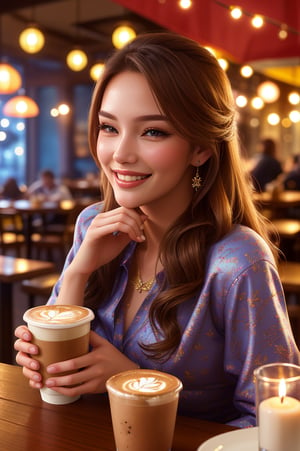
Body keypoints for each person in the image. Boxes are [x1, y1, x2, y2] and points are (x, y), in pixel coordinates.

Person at [14, 33, 299, 428]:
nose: (120, 154)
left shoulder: (238, 261)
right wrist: (79, 271)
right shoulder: (90, 225)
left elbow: (273, 420)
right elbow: (57, 389)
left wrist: (129, 381)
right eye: (108, 128)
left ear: (200, 148)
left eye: (153, 132)